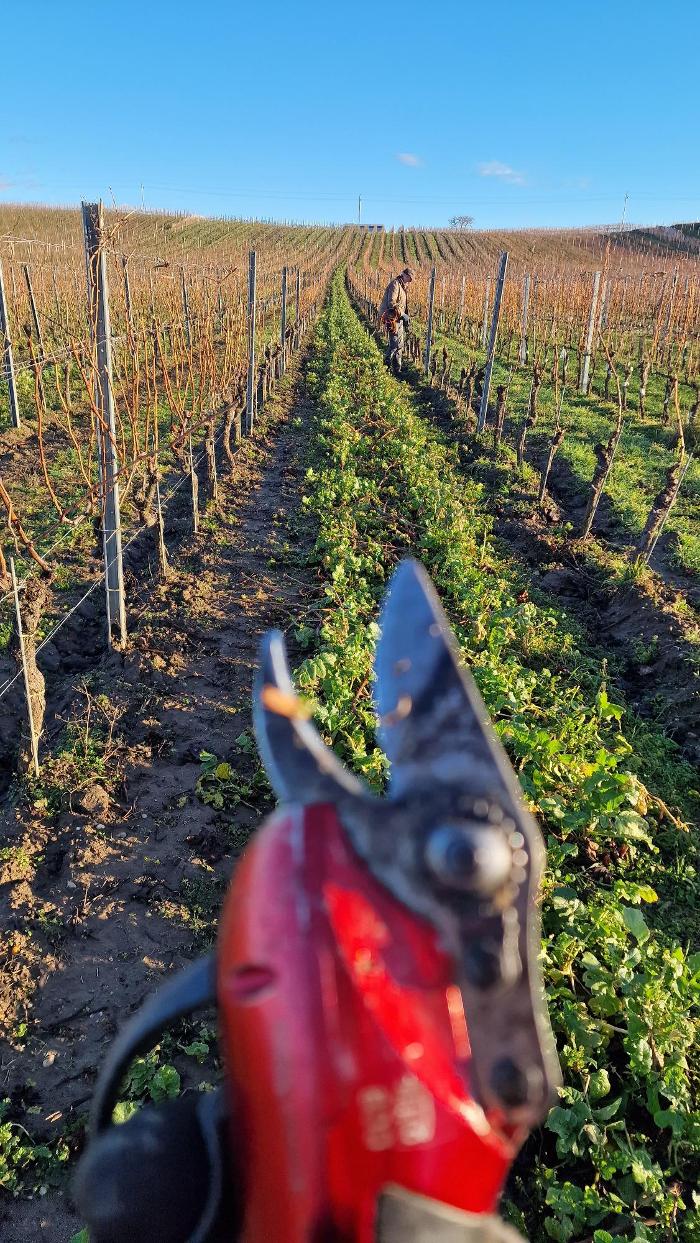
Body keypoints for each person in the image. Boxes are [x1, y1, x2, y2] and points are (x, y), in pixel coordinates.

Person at [379, 266, 415, 374]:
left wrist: (405, 316)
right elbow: (391, 303)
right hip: (391, 318)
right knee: (394, 344)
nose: (410, 281)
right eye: (409, 278)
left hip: (398, 318)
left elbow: (402, 304)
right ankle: (386, 366)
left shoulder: (403, 286)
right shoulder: (395, 284)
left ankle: (397, 368)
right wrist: (403, 314)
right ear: (404, 275)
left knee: (400, 344)